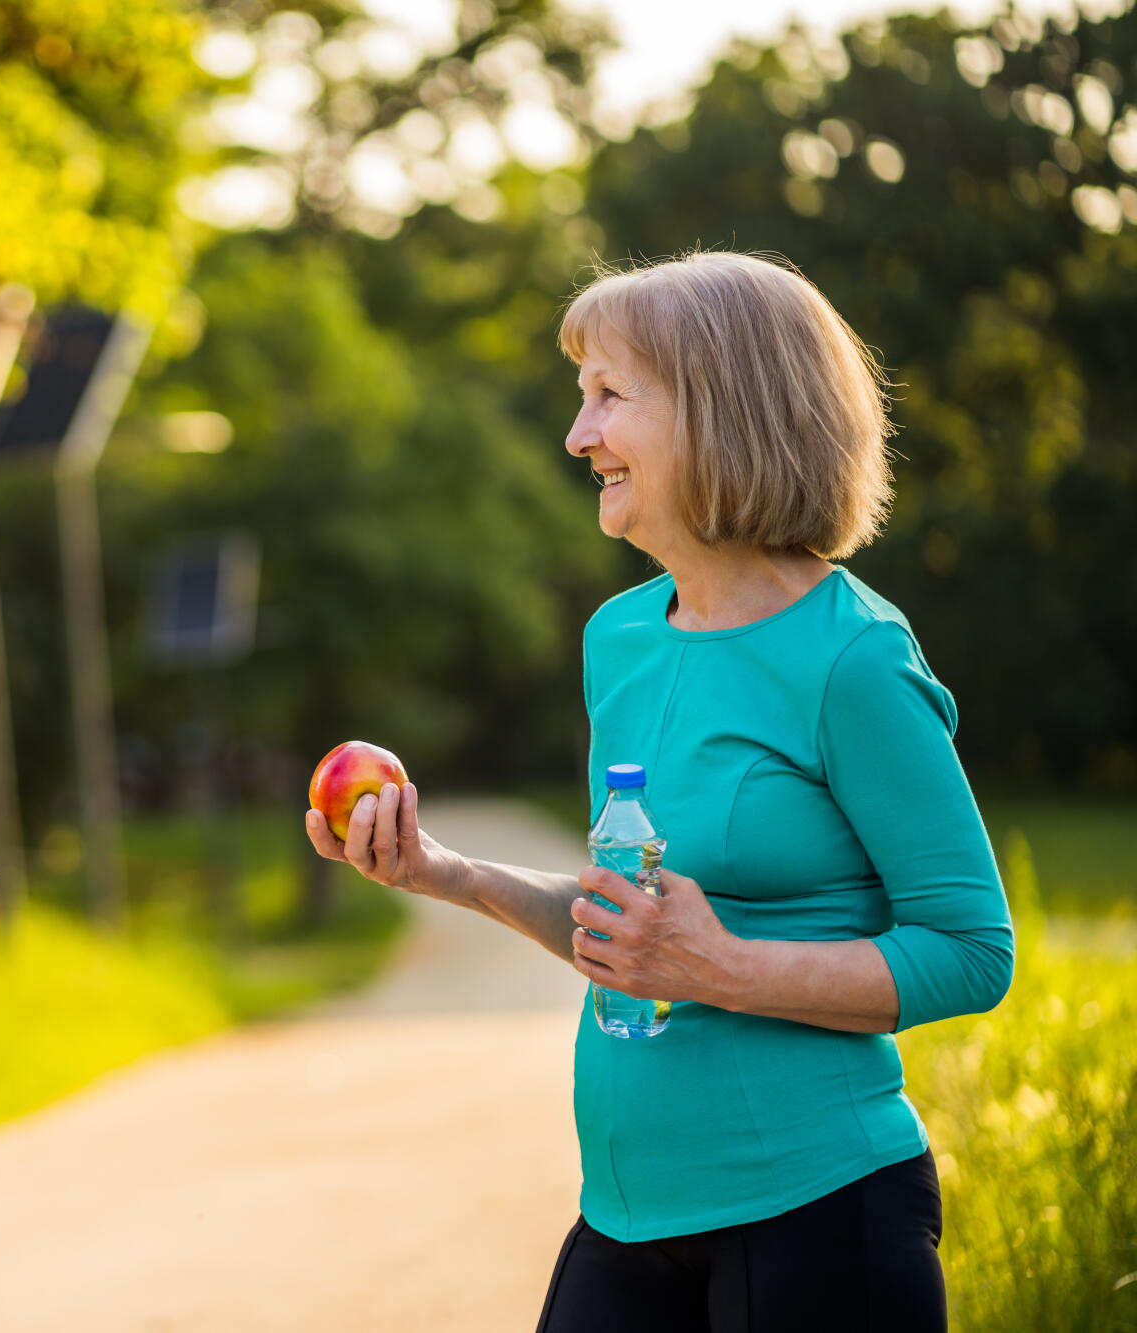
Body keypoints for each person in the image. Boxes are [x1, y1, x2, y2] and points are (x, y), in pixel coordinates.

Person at [307, 251, 1013, 1332]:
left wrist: (722, 966)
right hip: (627, 1215)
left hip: (821, 1213)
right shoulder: (620, 638)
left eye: (608, 396)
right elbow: (629, 929)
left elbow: (969, 950)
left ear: (722, 411)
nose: (575, 435)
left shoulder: (853, 657)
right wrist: (440, 871)